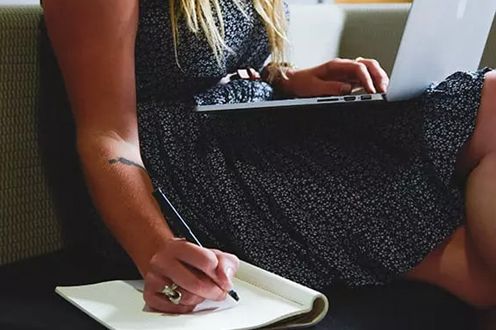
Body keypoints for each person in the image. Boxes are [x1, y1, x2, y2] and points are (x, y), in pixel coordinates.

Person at [42, 0, 496, 314]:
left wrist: (286, 79)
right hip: (185, 169)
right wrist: (155, 250)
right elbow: (108, 135)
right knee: (477, 274)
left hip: (246, 125)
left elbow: (213, 62)